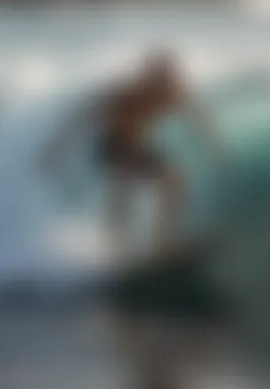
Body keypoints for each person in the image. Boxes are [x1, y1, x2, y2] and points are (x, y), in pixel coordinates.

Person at [42, 51, 219, 260]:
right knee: (124, 181)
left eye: (167, 80)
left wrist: (212, 144)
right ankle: (113, 246)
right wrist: (57, 148)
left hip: (138, 147)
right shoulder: (126, 93)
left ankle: (163, 245)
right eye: (157, 80)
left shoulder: (173, 94)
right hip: (111, 146)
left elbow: (196, 116)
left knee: (175, 182)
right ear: (148, 78)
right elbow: (84, 114)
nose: (162, 87)